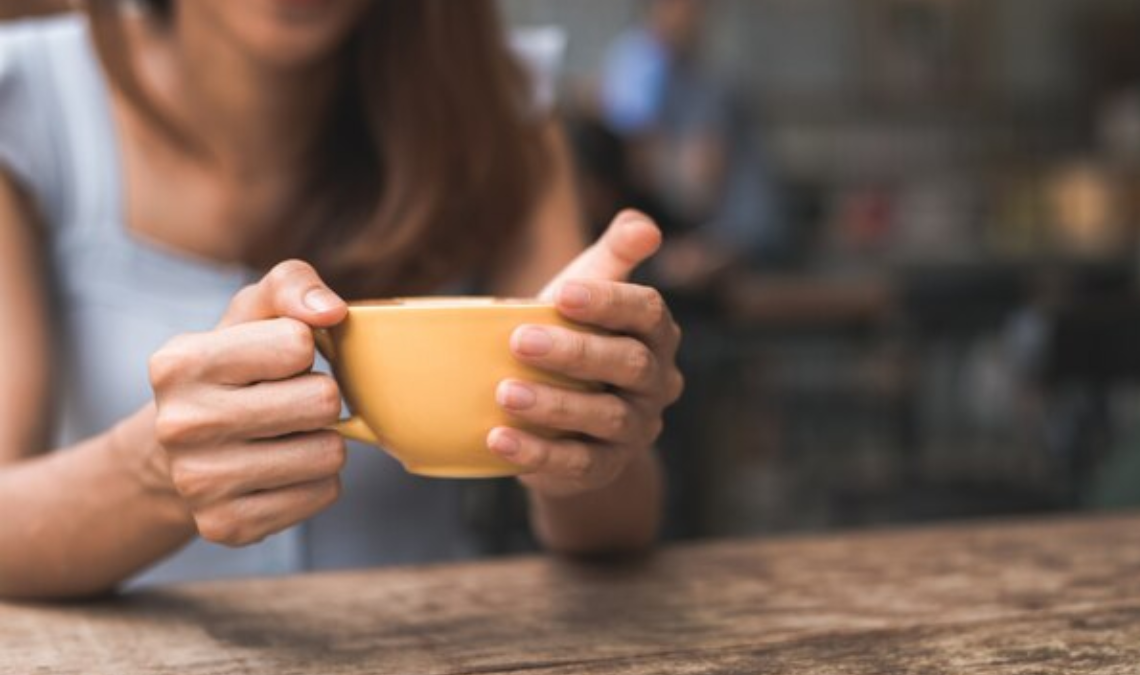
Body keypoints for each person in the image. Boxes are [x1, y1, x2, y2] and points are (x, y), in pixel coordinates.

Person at [0, 0, 683, 599]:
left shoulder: (494, 101)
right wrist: (149, 474)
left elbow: (618, 528)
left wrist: (588, 427)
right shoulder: (25, 98)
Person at [600, 0, 787, 292]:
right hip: (709, 236)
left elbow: (699, 185)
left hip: (745, 241)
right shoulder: (650, 68)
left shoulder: (711, 85)